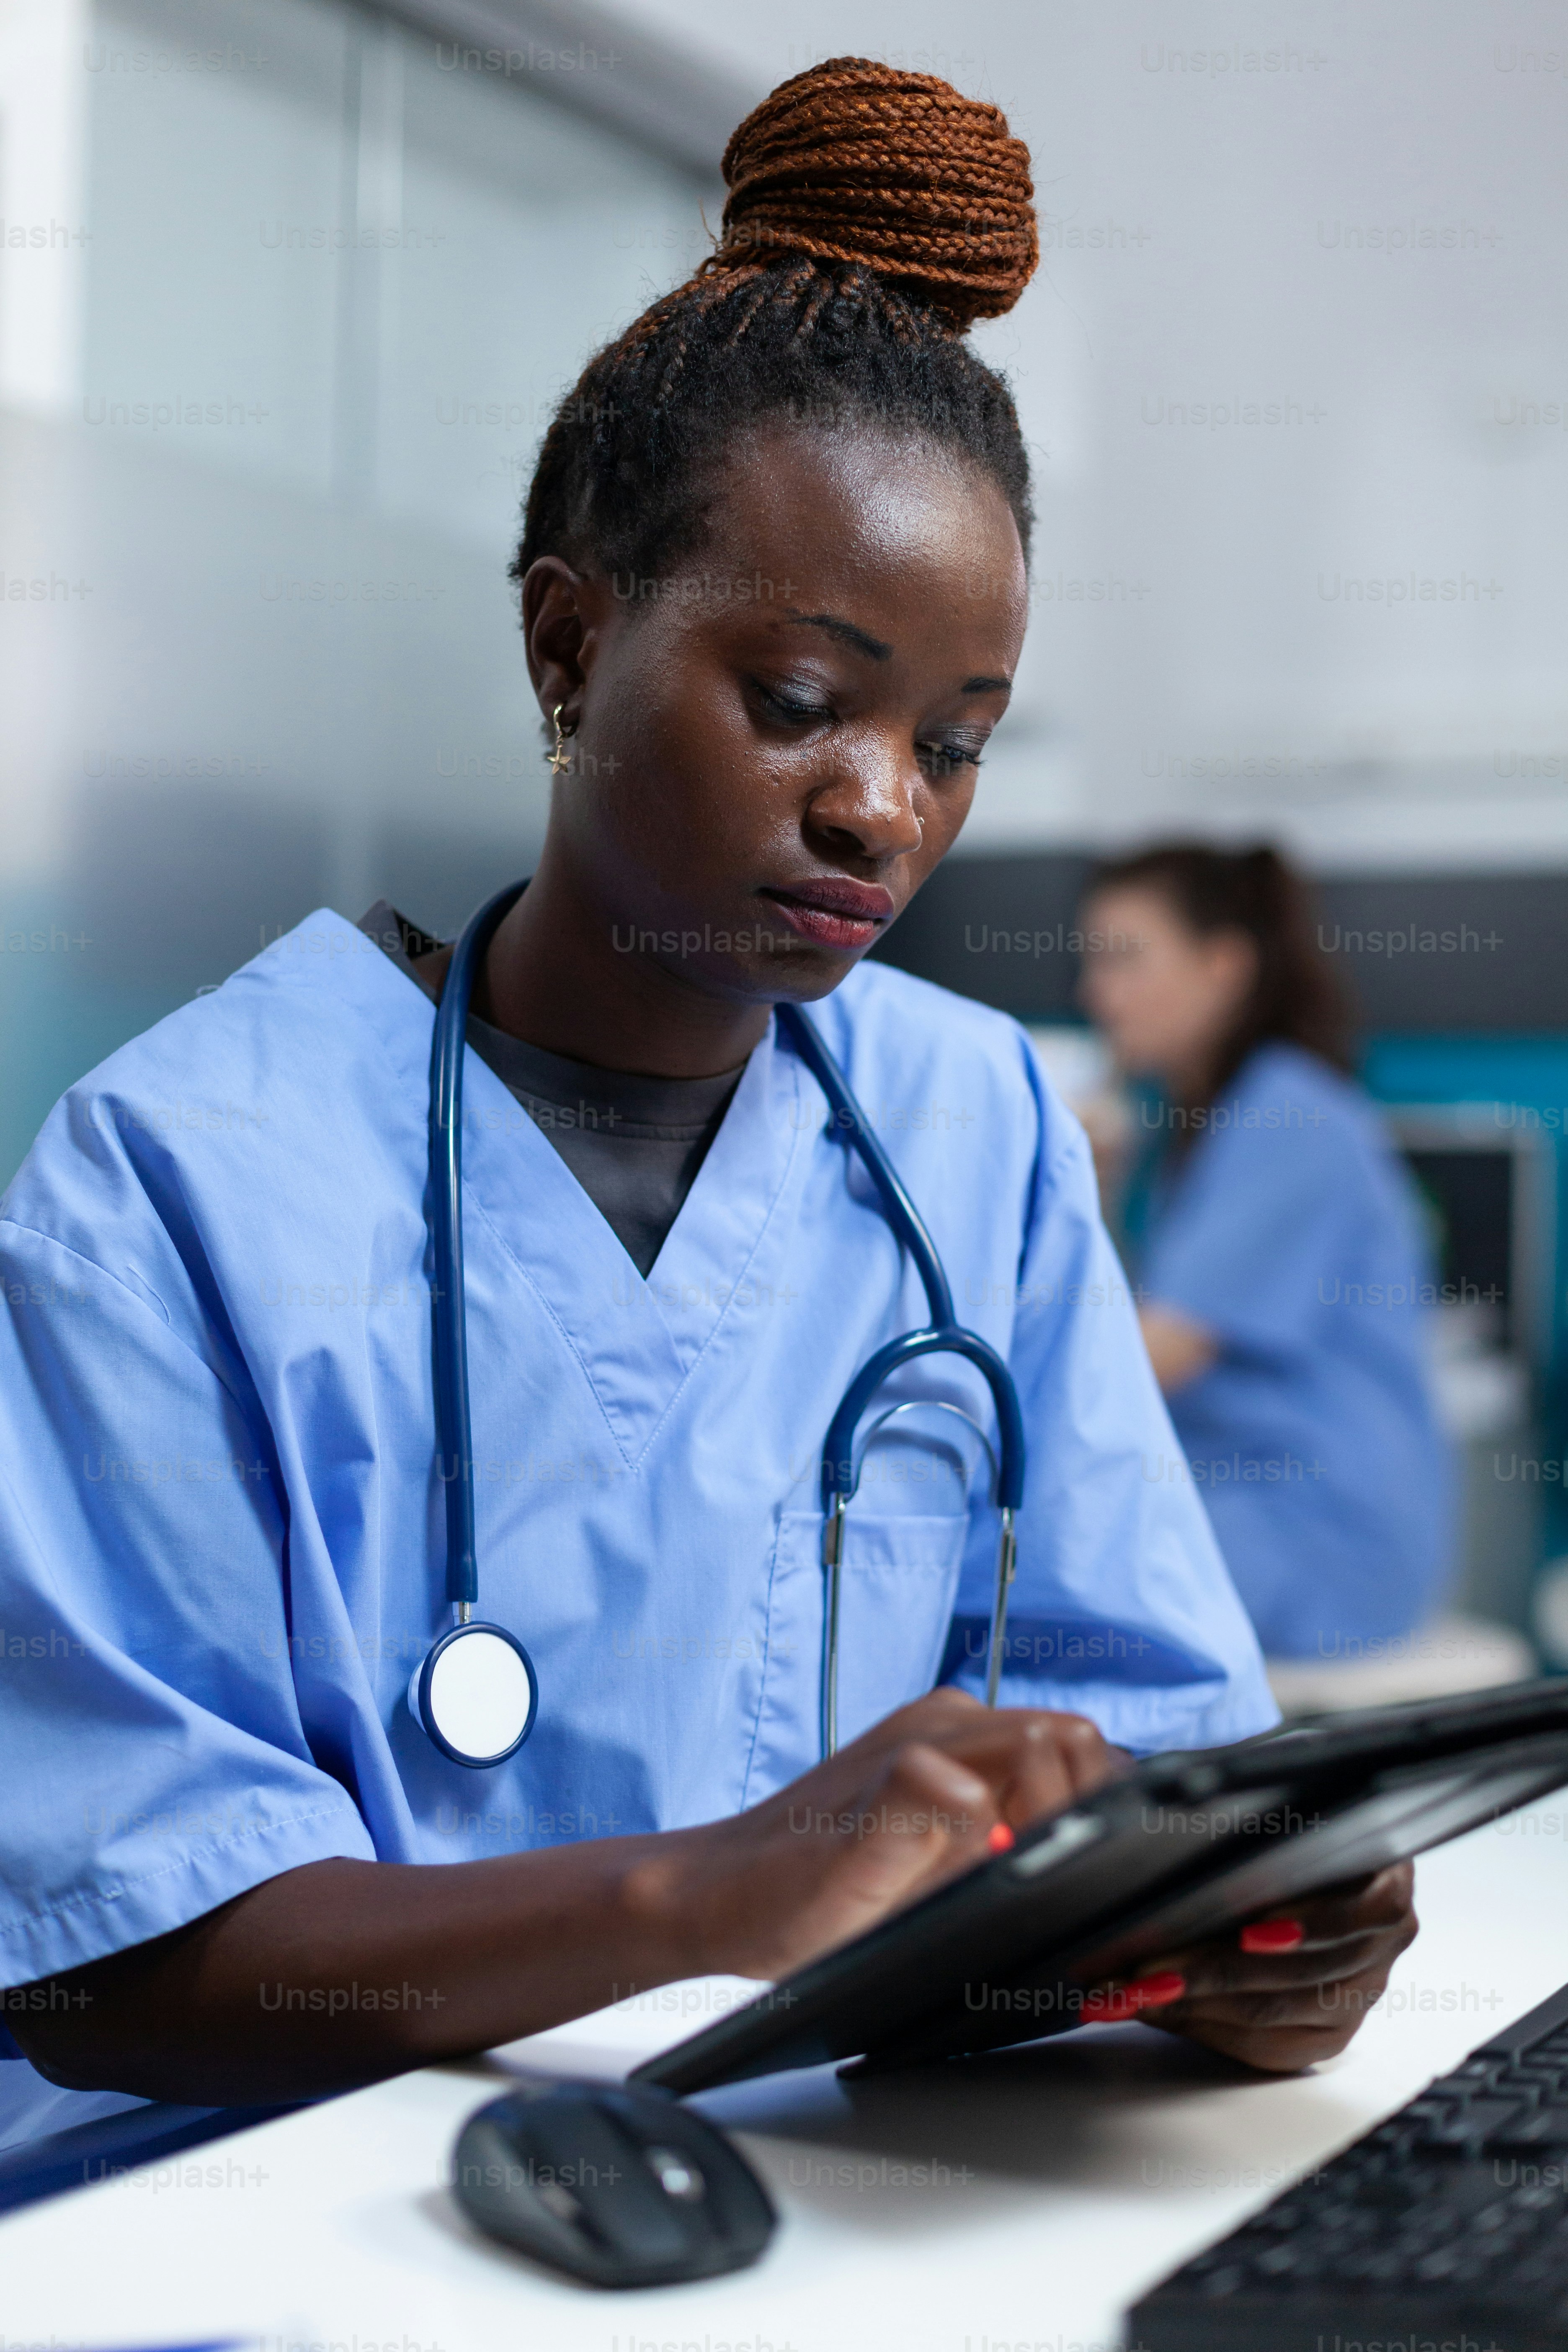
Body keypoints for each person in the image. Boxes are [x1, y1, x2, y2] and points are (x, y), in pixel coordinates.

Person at [0, 63, 1413, 2129]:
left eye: (955, 741)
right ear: (569, 651)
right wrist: (704, 1892)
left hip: (817, 2193)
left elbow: (1123, 1749)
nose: (878, 807)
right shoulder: (173, 1178)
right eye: (799, 701)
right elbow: (110, 1967)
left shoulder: (973, 1129)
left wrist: (1213, 1939)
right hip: (276, 2208)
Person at [1078, 841, 1452, 1659]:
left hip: (1310, 1534)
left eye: (1127, 961)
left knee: (1025, 1580)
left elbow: (1153, 1356)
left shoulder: (1291, 1118)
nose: (1098, 994)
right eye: (1093, 965)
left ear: (1223, 966)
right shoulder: (1202, 1131)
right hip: (1239, 1503)